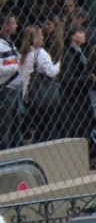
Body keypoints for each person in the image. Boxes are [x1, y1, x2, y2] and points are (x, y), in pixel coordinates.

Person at [58, 27, 96, 165]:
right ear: (71, 35)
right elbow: (67, 80)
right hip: (74, 103)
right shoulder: (70, 55)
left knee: (86, 130)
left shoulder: (79, 52)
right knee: (80, 132)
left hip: (81, 100)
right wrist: (89, 79)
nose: (83, 34)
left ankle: (90, 157)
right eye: (80, 32)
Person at [19, 26, 60, 144]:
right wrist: (59, 64)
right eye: (40, 35)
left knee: (37, 126)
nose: (43, 37)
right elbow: (50, 72)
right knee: (47, 127)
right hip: (43, 96)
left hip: (29, 96)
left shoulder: (24, 54)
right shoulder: (41, 53)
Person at [0, 14, 20, 150]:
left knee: (14, 126)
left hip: (14, 90)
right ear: (5, 25)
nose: (16, 26)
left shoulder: (9, 42)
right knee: (4, 128)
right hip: (5, 90)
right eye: (13, 23)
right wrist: (19, 66)